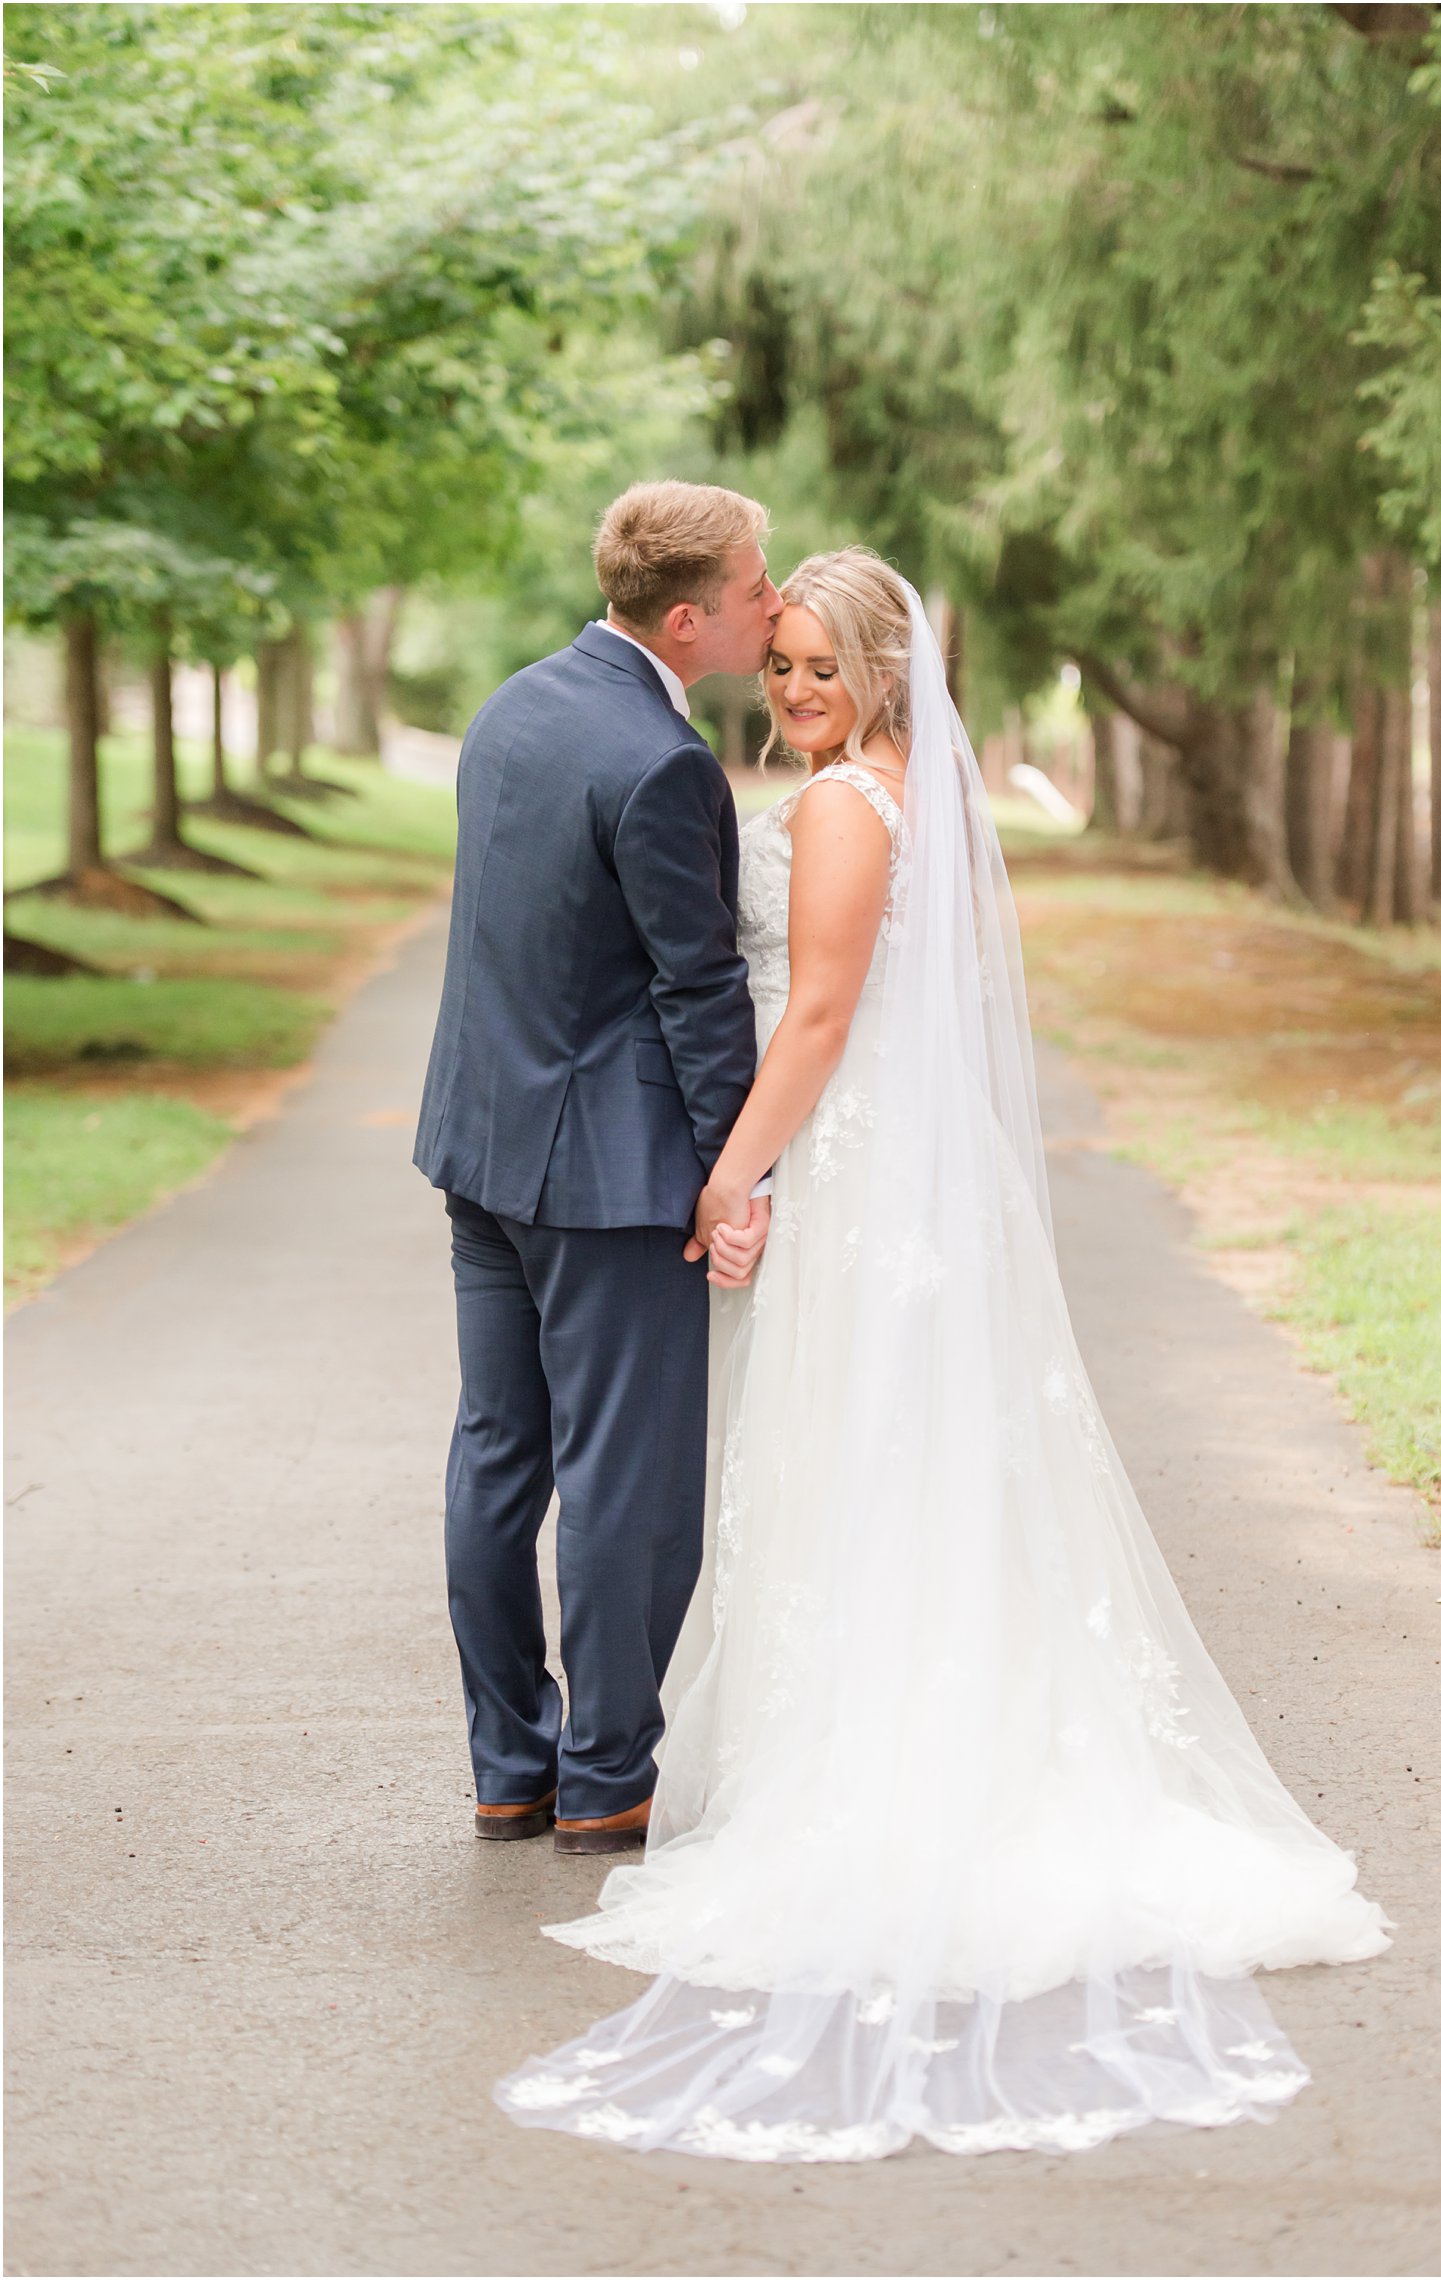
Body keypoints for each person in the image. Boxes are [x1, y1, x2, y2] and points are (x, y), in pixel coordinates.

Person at [495, 548, 1392, 2162]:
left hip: (844, 1168)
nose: (794, 692)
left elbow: (822, 1016)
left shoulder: (849, 808)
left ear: (887, 673)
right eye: (780, 668)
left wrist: (731, 1168)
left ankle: (880, 1770)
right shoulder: (880, 788)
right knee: (875, 1463)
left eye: (822, 666)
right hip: (875, 1166)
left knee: (851, 1460)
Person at [414, 481, 779, 1857]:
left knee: (499, 1455)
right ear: (689, 619)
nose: (772, 595)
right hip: (610, 1179)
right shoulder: (662, 761)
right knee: (628, 1477)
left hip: (482, 1146)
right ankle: (608, 1773)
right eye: (755, 583)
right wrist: (735, 1168)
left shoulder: (511, 708)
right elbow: (697, 992)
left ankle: (511, 1763)